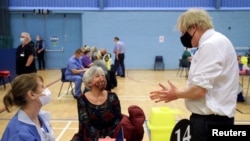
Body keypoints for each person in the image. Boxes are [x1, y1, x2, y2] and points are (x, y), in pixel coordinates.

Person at [149, 8, 239, 141]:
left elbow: (199, 91)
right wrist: (180, 92)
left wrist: (177, 93)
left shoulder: (211, 45)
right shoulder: (217, 41)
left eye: (183, 32)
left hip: (209, 123)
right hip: (214, 121)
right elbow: (205, 86)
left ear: (193, 27)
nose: (183, 37)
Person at [71, 66, 122, 141]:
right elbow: (86, 124)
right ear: (89, 82)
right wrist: (100, 138)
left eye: (103, 76)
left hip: (111, 135)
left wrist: (108, 136)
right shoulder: (82, 99)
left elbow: (118, 119)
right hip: (89, 135)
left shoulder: (113, 96)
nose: (102, 78)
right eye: (97, 76)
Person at [1, 73, 55, 140]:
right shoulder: (20, 135)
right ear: (32, 94)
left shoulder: (39, 117)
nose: (46, 89)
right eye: (42, 87)